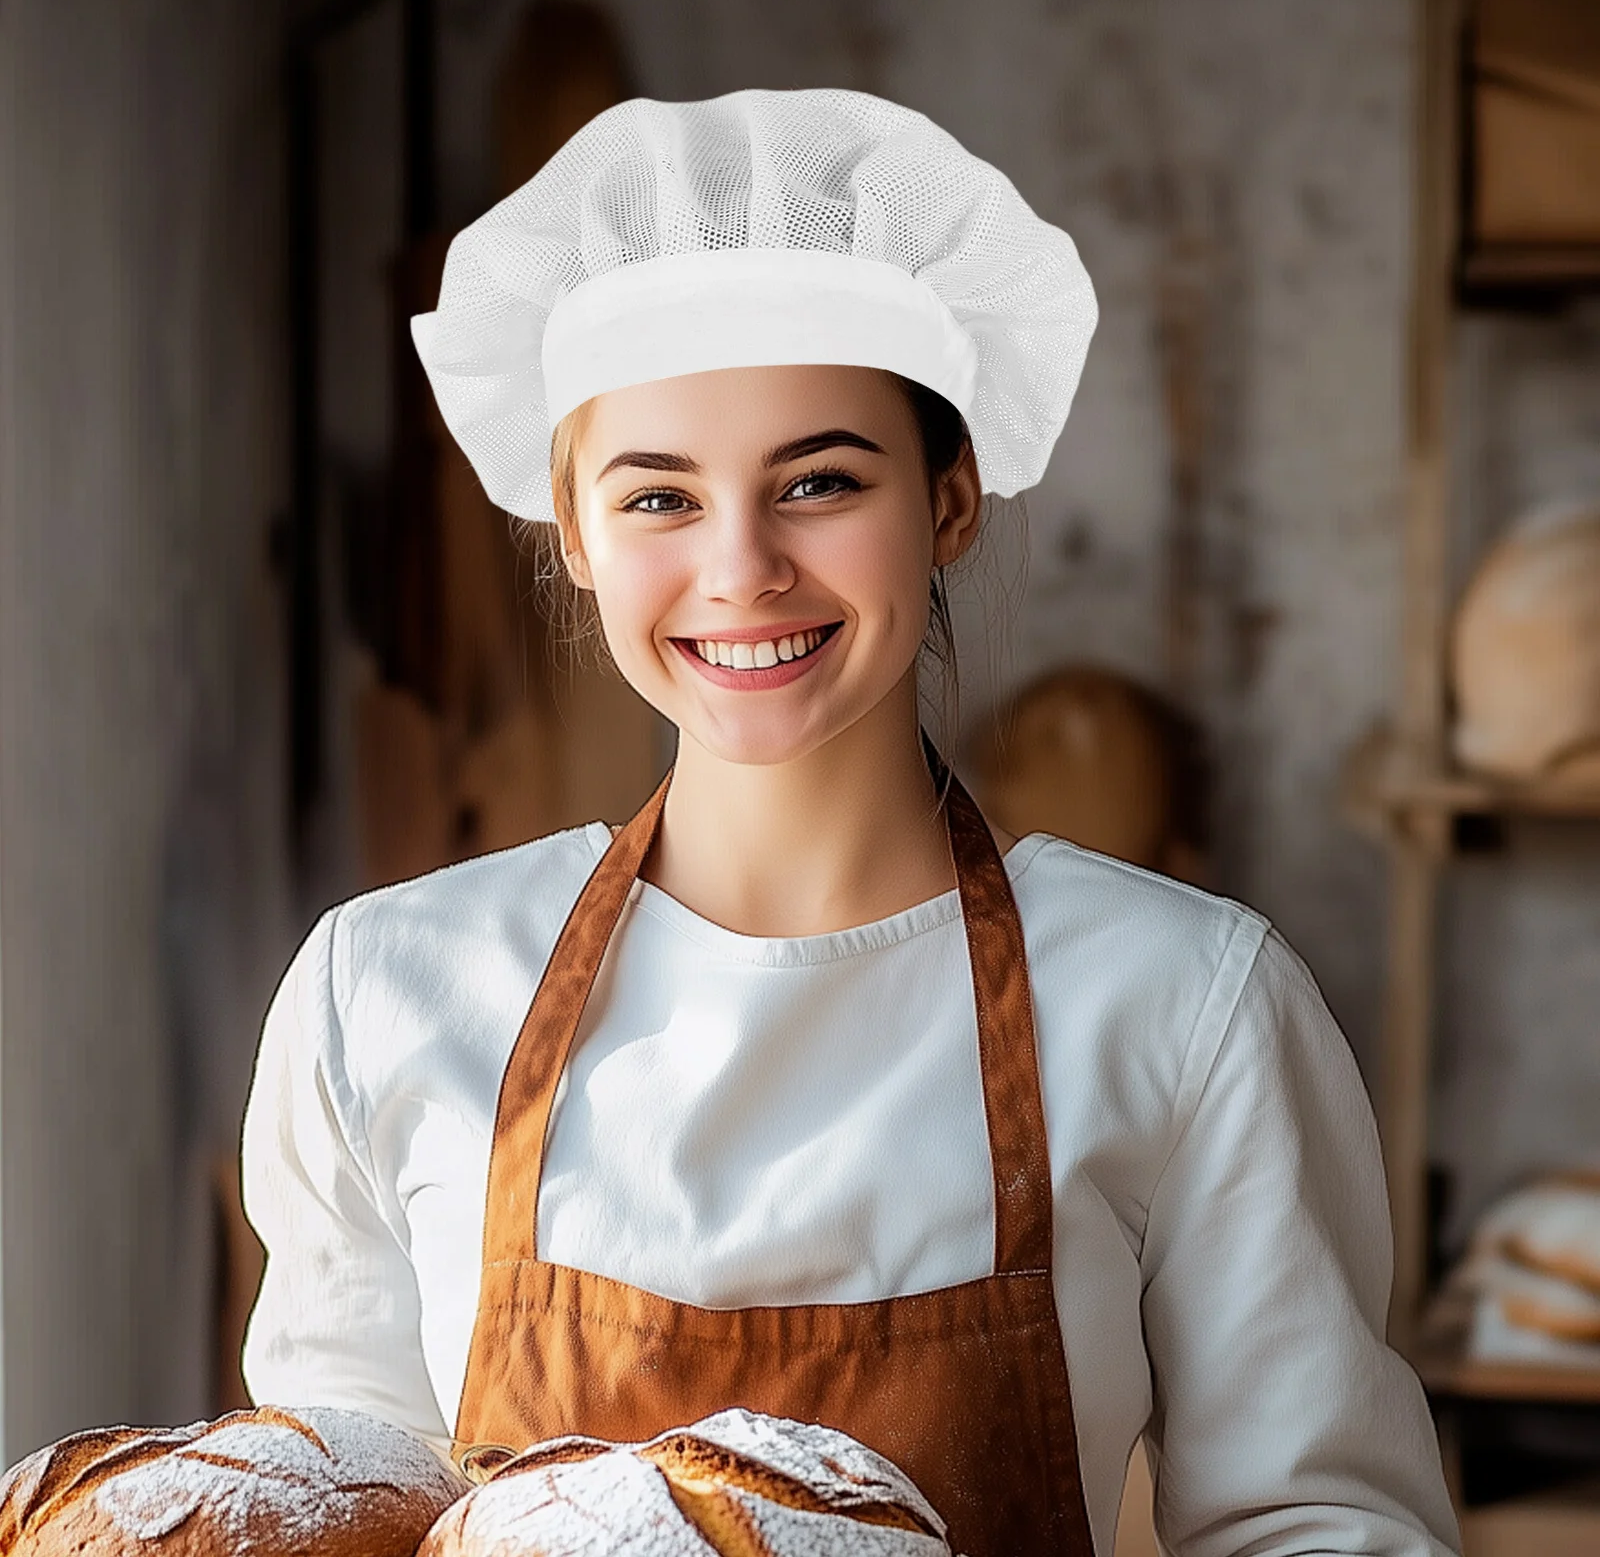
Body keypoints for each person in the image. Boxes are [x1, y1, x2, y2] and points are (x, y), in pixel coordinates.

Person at [240, 88, 1461, 1556]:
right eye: (659, 498)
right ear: (572, 534)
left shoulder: (1182, 1006)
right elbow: (328, 1517)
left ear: (951, 501)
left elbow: (1318, 1527)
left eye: (821, 481)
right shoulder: (386, 996)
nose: (743, 568)